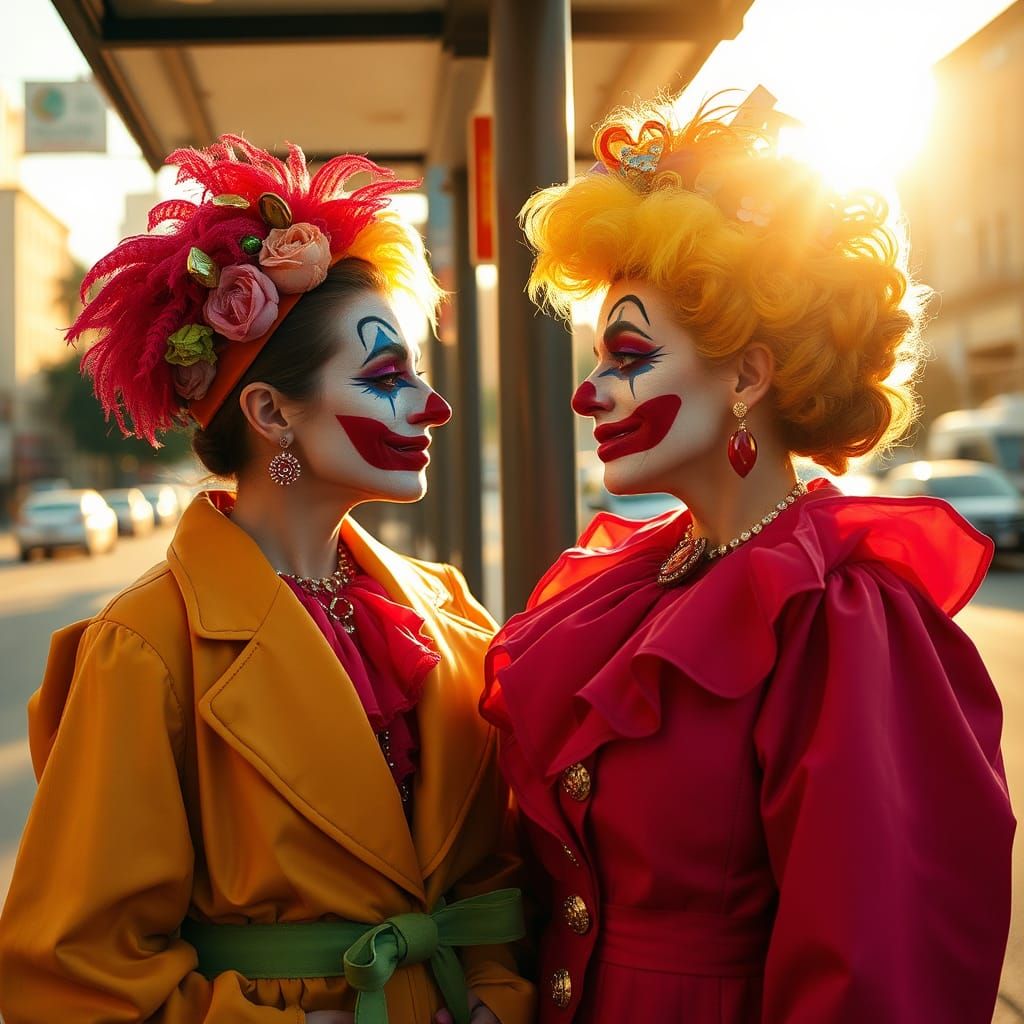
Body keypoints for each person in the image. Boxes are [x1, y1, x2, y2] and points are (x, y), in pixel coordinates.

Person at [480, 94, 1014, 1023]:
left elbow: (875, 972)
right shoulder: (634, 589)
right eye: (596, 358)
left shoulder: (839, 616)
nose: (589, 392)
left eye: (628, 355)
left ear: (747, 376)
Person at [0, 136, 533, 1024]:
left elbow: (491, 879)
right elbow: (71, 974)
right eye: (386, 376)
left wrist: (492, 993)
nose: (431, 405)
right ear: (269, 411)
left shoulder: (446, 610)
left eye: (420, 374)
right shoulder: (145, 647)